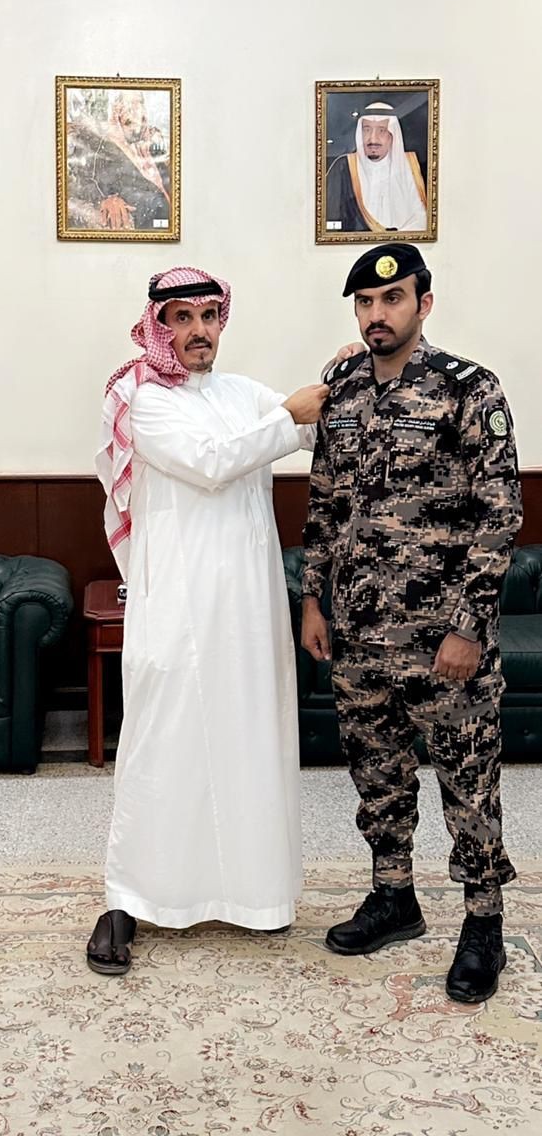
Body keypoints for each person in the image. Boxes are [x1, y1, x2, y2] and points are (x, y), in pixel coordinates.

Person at [88, 265, 331, 973]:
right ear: (158, 326)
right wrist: (290, 416)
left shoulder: (242, 393)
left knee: (248, 740)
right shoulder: (143, 399)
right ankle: (127, 899)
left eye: (209, 316)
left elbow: (311, 431)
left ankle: (254, 896)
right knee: (161, 746)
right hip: (178, 606)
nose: (198, 331)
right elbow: (212, 462)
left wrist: (342, 379)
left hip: (248, 608)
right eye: (182, 318)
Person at [301, 242, 523, 1003]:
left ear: (423, 304)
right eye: (364, 302)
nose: (377, 314)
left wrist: (468, 627)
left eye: (391, 300)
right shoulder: (341, 392)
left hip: (443, 642)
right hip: (360, 635)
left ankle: (483, 922)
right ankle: (394, 896)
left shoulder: (469, 388)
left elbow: (501, 515)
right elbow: (325, 505)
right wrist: (313, 600)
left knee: (469, 782)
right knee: (378, 777)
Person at [66, 90, 170, 231]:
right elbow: (82, 183)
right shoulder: (101, 148)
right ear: (115, 111)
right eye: (126, 105)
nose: (135, 111)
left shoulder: (154, 147)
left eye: (139, 103)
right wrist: (103, 201)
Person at [326, 102, 427, 233]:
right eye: (367, 130)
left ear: (392, 135)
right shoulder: (343, 167)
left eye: (382, 130)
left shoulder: (412, 168)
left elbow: (422, 219)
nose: (373, 139)